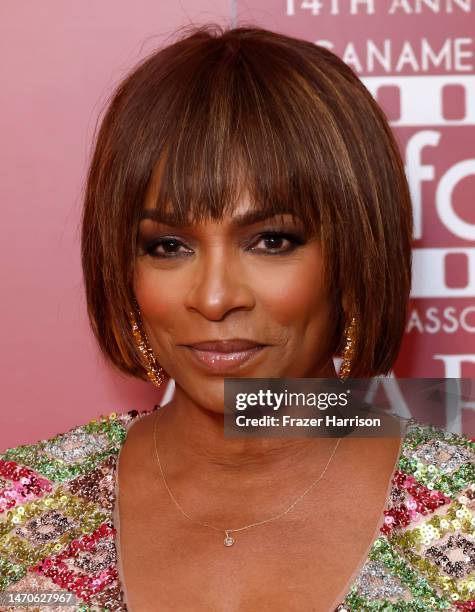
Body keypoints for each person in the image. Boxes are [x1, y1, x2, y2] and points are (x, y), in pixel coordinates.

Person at [1, 23, 474, 612]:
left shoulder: (463, 513)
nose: (216, 296)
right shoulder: (20, 512)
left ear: (357, 253)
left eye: (271, 240)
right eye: (169, 246)